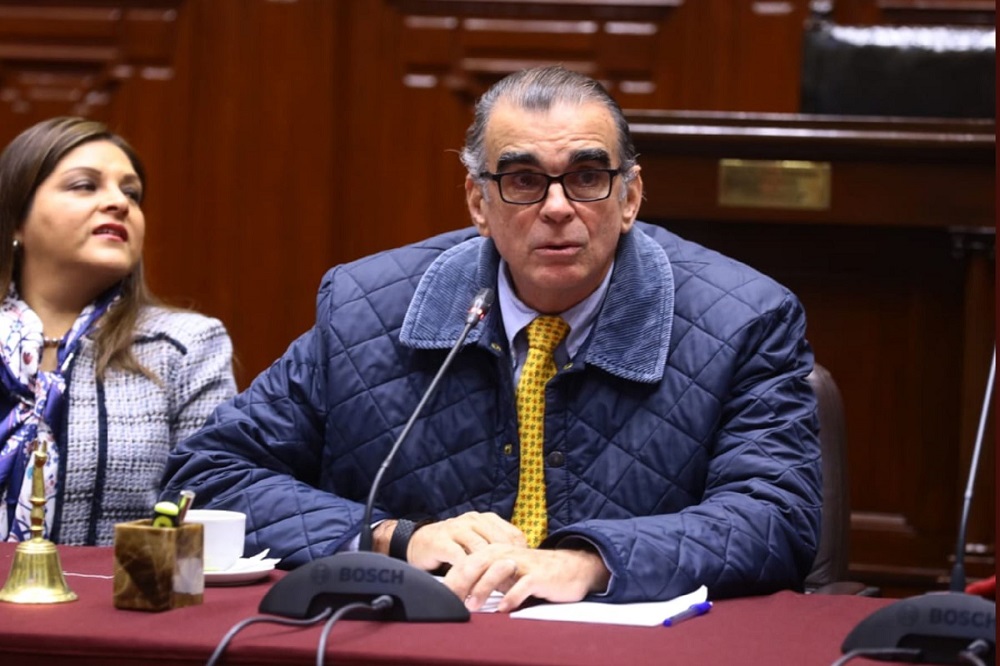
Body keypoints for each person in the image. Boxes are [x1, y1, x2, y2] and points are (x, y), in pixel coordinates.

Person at [162, 66, 821, 611]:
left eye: (587, 177)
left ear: (629, 198)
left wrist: (590, 562)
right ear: (479, 203)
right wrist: (391, 539)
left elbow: (776, 517)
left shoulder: (744, 320)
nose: (557, 208)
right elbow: (206, 478)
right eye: (524, 180)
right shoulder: (366, 309)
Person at [0, 117, 237, 546]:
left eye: (132, 193)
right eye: (84, 186)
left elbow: (206, 511)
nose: (118, 203)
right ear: (16, 218)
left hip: (124, 588)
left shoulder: (185, 346)